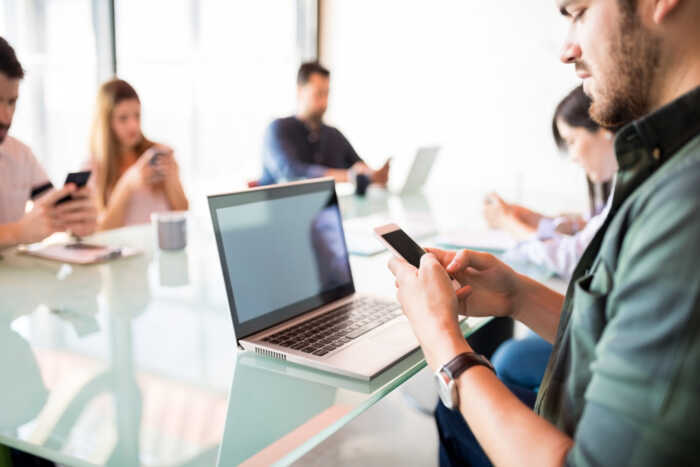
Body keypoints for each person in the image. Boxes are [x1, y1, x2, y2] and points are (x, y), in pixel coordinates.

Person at [388, 0, 700, 465]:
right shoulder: (668, 163)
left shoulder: (684, 200)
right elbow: (623, 334)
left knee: (456, 414)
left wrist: (443, 342)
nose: (566, 50)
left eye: (578, 11)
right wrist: (517, 294)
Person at [0, 36, 97, 249]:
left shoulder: (21, 155)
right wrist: (15, 232)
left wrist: (77, 219)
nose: (6, 117)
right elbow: (21, 230)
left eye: (11, 102)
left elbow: (52, 213)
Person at [259, 62, 390, 187]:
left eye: (326, 93)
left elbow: (359, 168)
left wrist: (373, 175)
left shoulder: (334, 135)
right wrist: (349, 176)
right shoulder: (278, 129)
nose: (324, 102)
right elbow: (292, 173)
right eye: (318, 94)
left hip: (323, 209)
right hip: (281, 209)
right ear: (300, 91)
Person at [86, 79, 188, 230]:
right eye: (123, 118)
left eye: (137, 116)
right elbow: (103, 230)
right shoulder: (92, 166)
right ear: (106, 122)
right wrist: (127, 185)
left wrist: (172, 179)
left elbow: (183, 212)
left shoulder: (159, 153)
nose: (133, 125)